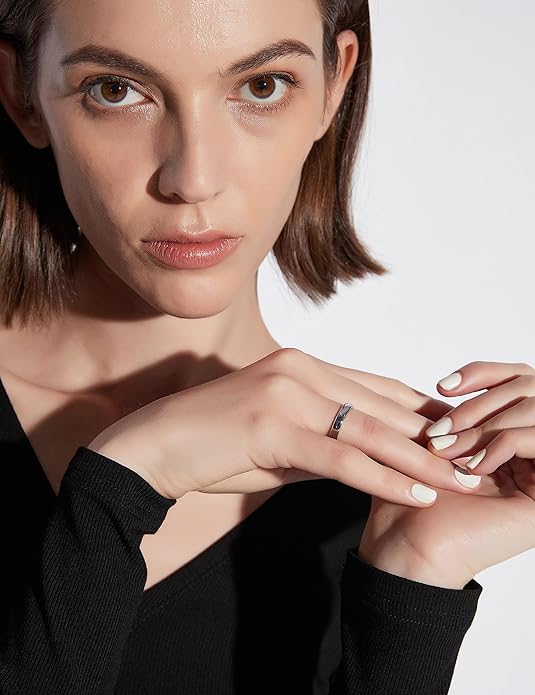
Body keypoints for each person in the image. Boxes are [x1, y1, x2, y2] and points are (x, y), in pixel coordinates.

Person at [1, 0, 513, 692]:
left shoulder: (376, 507)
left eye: (261, 85)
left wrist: (413, 583)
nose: (193, 178)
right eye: (116, 90)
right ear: (21, 93)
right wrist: (122, 485)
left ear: (334, 82)